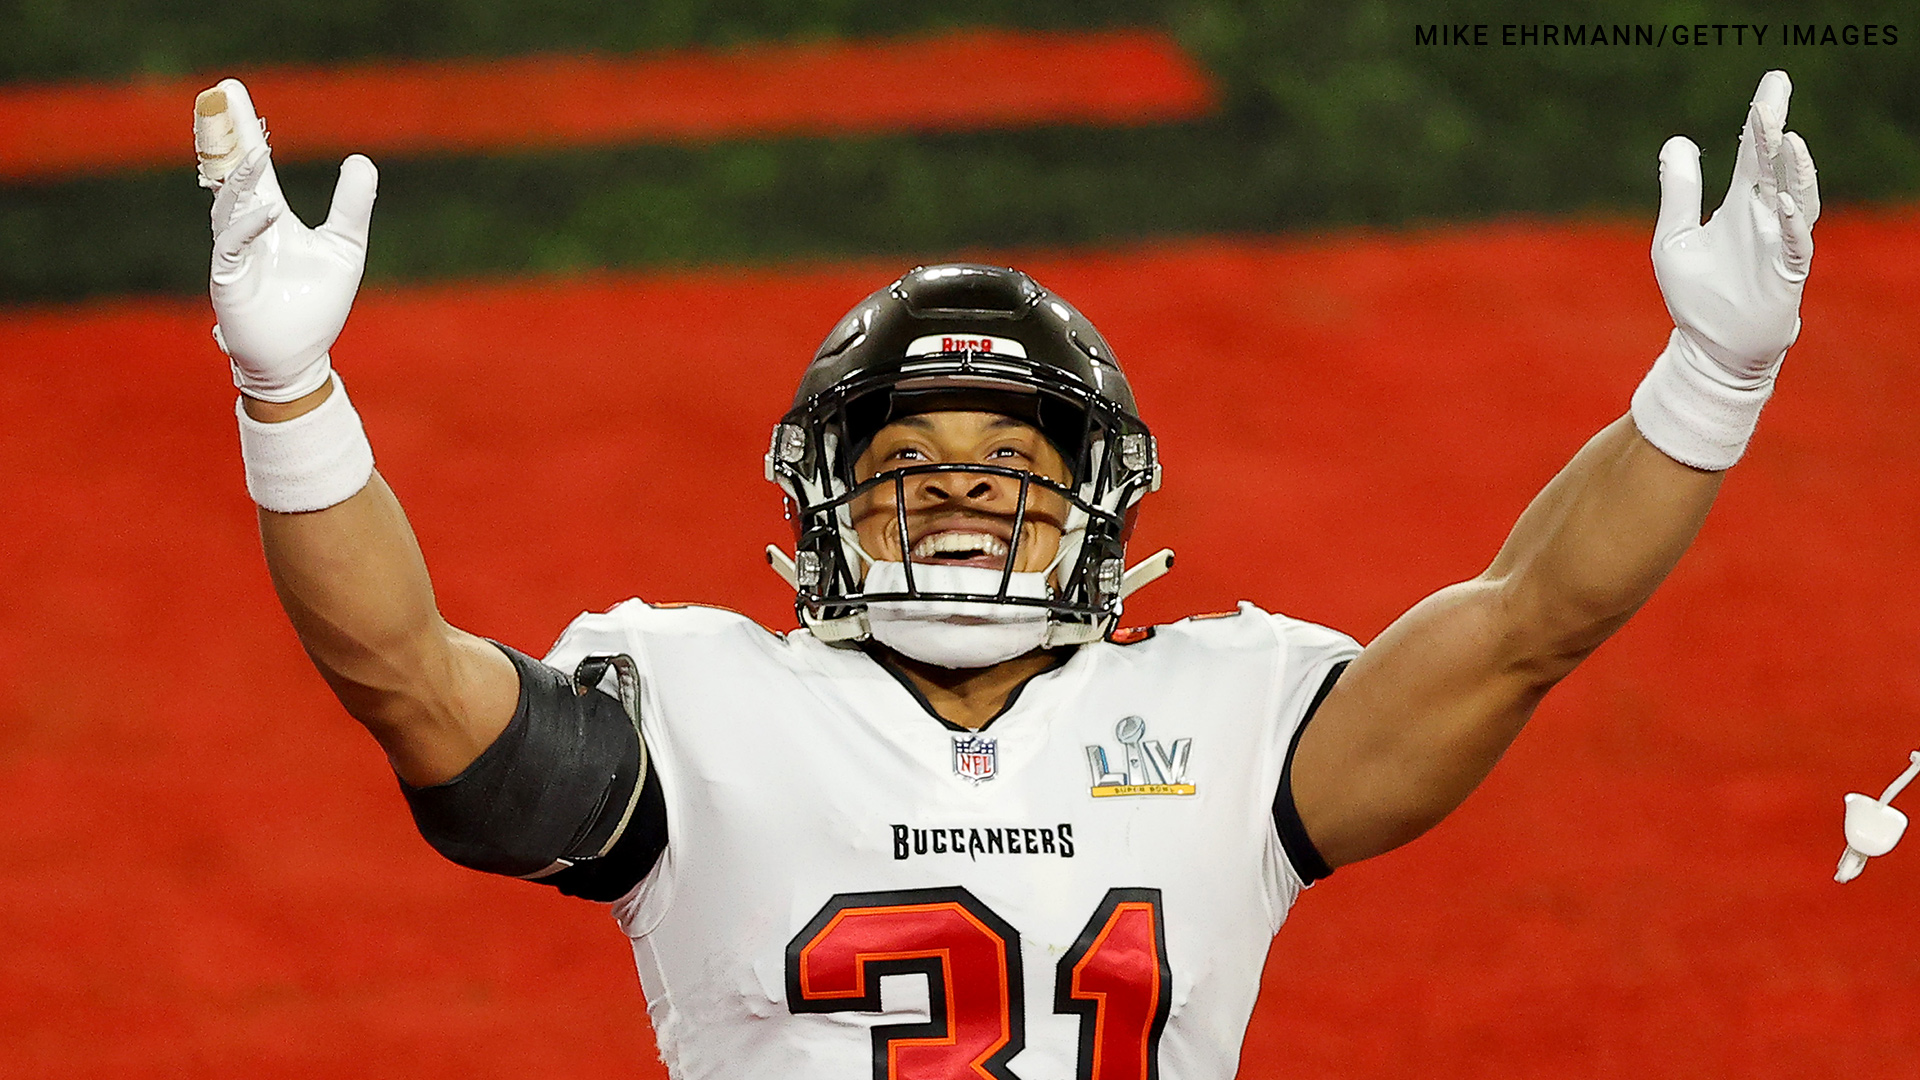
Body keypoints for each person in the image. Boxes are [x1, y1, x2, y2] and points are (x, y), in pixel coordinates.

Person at [197, 69, 1818, 1079]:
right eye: (911, 464)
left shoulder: (1222, 714)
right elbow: (406, 677)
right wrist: (293, 395)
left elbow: (1533, 622)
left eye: (1011, 469)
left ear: (1096, 511)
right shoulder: (703, 706)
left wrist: (1709, 382)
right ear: (829, 498)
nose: (960, 496)